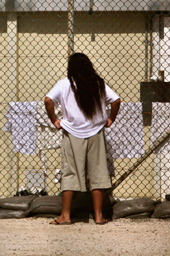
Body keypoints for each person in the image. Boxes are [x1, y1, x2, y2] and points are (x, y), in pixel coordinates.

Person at [44, 52, 121, 225]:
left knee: (70, 171)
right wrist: (111, 119)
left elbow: (48, 100)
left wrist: (54, 120)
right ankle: (99, 216)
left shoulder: (64, 84)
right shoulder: (98, 83)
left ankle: (65, 216)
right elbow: (116, 101)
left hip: (72, 133)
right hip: (96, 132)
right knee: (98, 171)